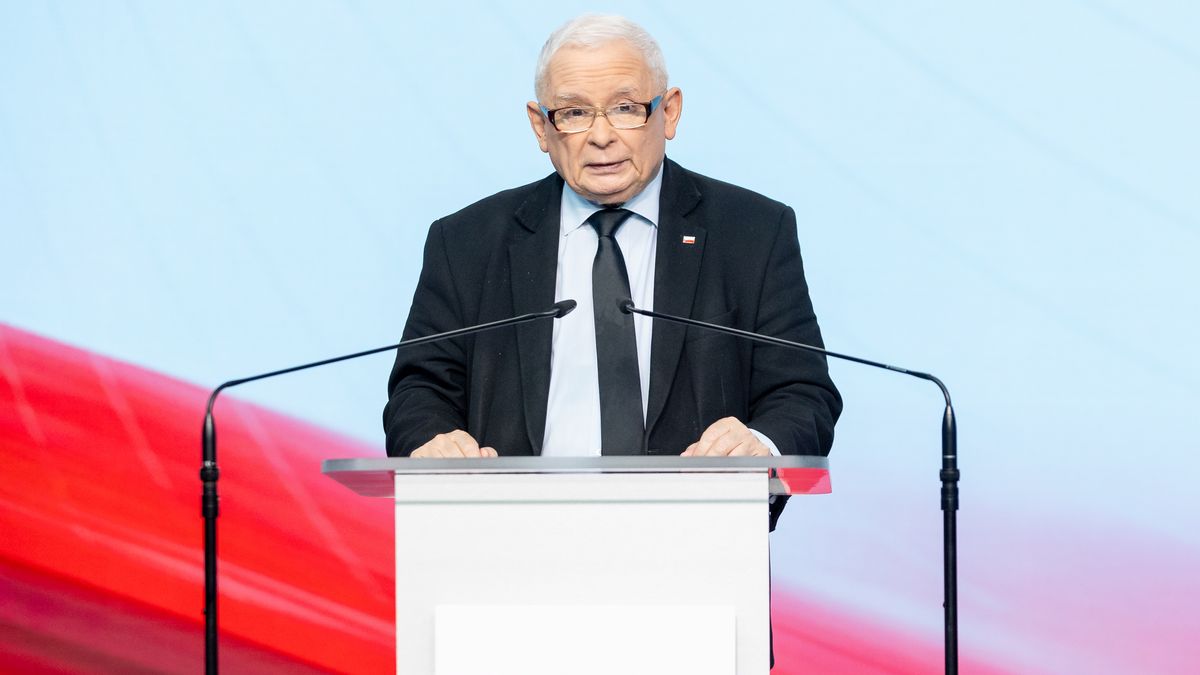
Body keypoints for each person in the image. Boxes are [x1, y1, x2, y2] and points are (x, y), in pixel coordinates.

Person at [384, 14, 840, 521]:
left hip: (698, 540)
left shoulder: (752, 231)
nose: (601, 136)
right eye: (575, 113)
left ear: (669, 112)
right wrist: (433, 442)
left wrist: (760, 446)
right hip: (505, 539)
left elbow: (802, 393)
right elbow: (418, 391)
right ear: (541, 127)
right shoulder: (468, 241)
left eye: (625, 108)